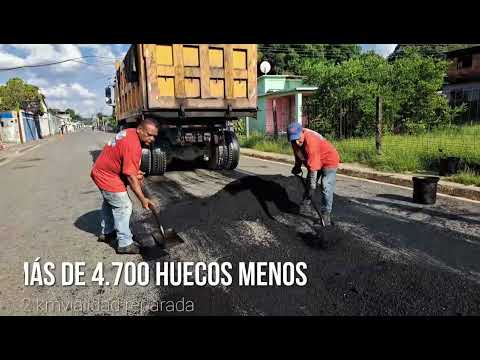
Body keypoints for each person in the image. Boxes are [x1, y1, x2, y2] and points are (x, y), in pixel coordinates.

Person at [91, 118, 158, 254]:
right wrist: (143, 199)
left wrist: (134, 172)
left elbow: (125, 164)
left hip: (101, 171)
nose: (152, 139)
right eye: (149, 134)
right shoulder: (133, 145)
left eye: (154, 136)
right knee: (124, 205)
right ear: (140, 130)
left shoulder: (130, 132)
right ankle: (124, 243)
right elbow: (130, 177)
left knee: (110, 202)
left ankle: (107, 232)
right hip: (107, 176)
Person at [287, 122, 340, 226]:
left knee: (326, 186)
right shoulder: (294, 142)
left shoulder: (311, 142)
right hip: (315, 160)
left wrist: (312, 186)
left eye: (298, 138)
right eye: (293, 139)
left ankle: (326, 215)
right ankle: (305, 205)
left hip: (329, 160)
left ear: (302, 132)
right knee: (309, 184)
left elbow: (313, 169)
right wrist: (297, 166)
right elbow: (298, 155)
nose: (297, 142)